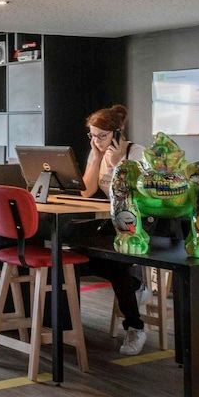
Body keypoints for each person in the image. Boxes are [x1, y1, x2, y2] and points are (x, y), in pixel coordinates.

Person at [77, 104, 150, 355]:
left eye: (102, 136)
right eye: (92, 135)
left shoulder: (136, 153)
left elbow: (140, 194)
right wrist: (97, 158)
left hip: (136, 224)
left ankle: (135, 327)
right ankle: (135, 283)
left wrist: (119, 162)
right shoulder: (97, 153)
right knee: (85, 254)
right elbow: (86, 190)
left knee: (113, 262)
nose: (96, 141)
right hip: (110, 223)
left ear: (117, 133)